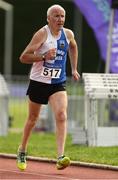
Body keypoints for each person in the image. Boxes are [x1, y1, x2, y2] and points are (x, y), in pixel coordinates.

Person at [17, 4, 80, 171]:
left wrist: (74, 68)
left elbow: (73, 46)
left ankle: (60, 157)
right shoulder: (41, 34)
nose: (60, 19)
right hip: (38, 82)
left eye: (62, 16)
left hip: (57, 82)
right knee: (32, 119)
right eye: (56, 16)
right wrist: (43, 56)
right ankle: (22, 149)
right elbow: (23, 57)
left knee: (61, 115)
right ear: (48, 19)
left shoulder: (68, 34)